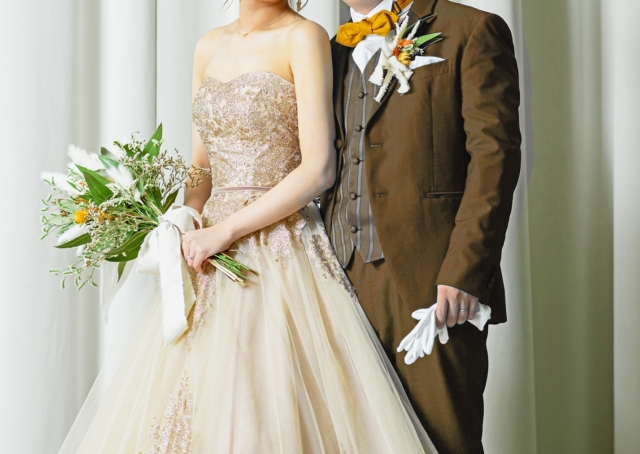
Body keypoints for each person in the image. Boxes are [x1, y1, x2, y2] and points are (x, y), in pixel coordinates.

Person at [58, 0, 439, 452]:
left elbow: (318, 169)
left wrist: (226, 231)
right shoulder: (207, 46)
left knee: (266, 404)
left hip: (279, 245)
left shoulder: (304, 37)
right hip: (207, 251)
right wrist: (183, 220)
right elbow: (201, 167)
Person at [321, 0, 522, 452]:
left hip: (433, 280)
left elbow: (494, 159)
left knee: (442, 438)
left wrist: (464, 271)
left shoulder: (471, 29)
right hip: (336, 277)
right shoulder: (329, 50)